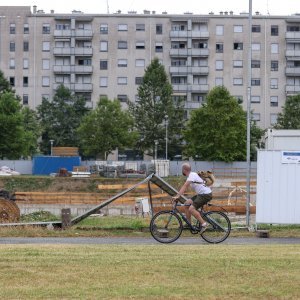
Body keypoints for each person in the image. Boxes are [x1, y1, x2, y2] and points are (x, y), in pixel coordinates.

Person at [172, 163, 212, 233]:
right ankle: (189, 223)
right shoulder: (191, 176)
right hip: (201, 194)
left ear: (184, 170)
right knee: (186, 204)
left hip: (205, 195)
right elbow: (185, 187)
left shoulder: (192, 175)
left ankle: (204, 224)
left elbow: (185, 186)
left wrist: (178, 196)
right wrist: (179, 195)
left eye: (182, 169)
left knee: (191, 209)